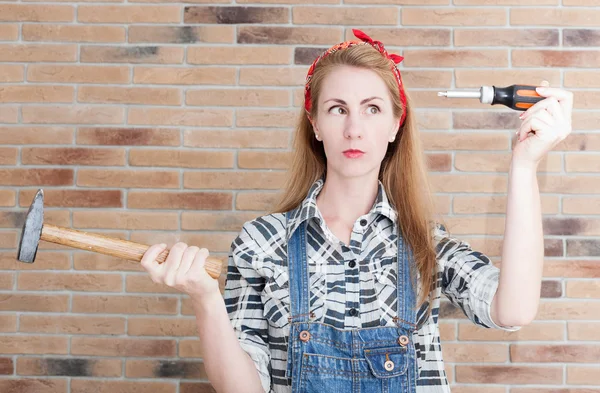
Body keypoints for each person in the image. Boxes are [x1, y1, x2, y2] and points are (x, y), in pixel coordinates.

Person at [141, 29, 573, 393]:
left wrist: (525, 163)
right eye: (337, 109)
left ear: (394, 124)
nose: (354, 128)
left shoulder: (425, 243)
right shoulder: (261, 242)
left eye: (372, 109)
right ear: (314, 123)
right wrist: (205, 299)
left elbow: (512, 311)